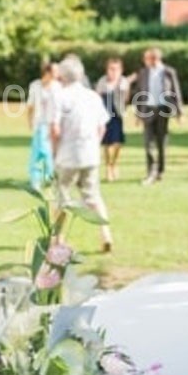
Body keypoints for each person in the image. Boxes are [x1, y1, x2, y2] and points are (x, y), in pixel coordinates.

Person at [51, 54, 113, 251]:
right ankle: (105, 234)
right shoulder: (93, 96)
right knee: (93, 197)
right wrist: (94, 145)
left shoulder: (59, 97)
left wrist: (54, 152)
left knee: (61, 198)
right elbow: (102, 127)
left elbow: (55, 130)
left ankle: (58, 239)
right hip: (90, 155)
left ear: (62, 76)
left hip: (67, 155)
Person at [129, 47, 183, 185]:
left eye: (147, 58)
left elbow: (176, 91)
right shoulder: (143, 73)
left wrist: (179, 112)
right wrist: (138, 114)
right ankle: (150, 172)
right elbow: (139, 93)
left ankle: (160, 171)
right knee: (148, 143)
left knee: (161, 142)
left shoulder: (168, 72)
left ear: (155, 58)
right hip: (147, 109)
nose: (145, 61)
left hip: (163, 109)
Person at [95, 57, 132, 181]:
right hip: (105, 114)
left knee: (117, 142)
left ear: (120, 70)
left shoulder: (123, 81)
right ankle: (108, 167)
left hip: (118, 114)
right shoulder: (102, 81)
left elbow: (126, 98)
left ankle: (114, 163)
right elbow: (97, 97)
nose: (113, 71)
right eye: (110, 69)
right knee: (107, 142)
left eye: (115, 69)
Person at [26, 60, 61, 190]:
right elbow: (30, 106)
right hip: (40, 124)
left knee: (49, 152)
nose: (58, 73)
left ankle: (48, 178)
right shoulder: (35, 85)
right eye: (55, 71)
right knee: (39, 152)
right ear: (47, 72)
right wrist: (30, 121)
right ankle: (36, 180)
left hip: (53, 124)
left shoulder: (57, 87)